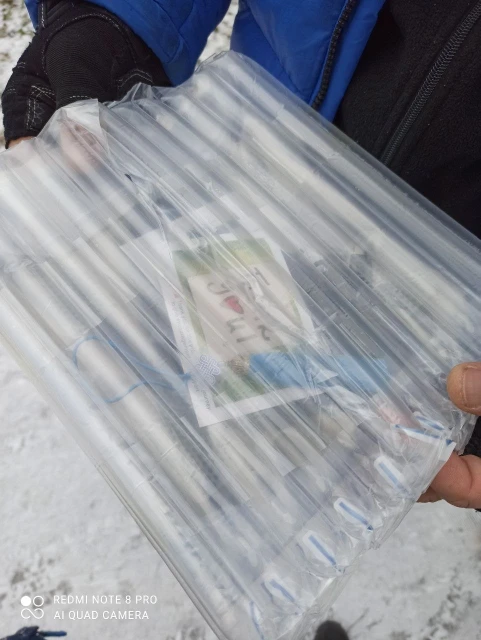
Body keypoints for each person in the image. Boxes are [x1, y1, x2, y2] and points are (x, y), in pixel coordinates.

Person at [2, 1, 481, 637]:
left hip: (448, 306)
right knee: (224, 413)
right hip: (267, 177)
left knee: (354, 427)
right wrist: (119, 15)